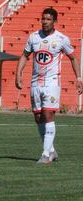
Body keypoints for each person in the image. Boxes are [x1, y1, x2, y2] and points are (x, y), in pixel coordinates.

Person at [15, 8, 83, 164]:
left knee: (48, 115)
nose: (45, 22)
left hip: (52, 82)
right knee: (38, 117)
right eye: (43, 19)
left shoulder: (61, 39)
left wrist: (78, 77)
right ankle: (52, 151)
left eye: (48, 19)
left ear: (54, 21)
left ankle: (45, 154)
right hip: (35, 82)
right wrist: (18, 74)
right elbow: (25, 56)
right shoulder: (33, 37)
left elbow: (73, 58)